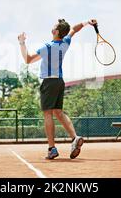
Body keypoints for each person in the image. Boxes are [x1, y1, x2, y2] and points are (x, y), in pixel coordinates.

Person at [17, 18, 96, 159]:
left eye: (54, 27)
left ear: (56, 31)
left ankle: (52, 148)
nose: (52, 28)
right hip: (60, 82)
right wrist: (87, 22)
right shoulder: (65, 42)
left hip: (49, 82)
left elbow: (27, 60)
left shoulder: (47, 47)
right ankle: (75, 137)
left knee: (48, 114)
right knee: (58, 112)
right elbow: (74, 30)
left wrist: (22, 43)